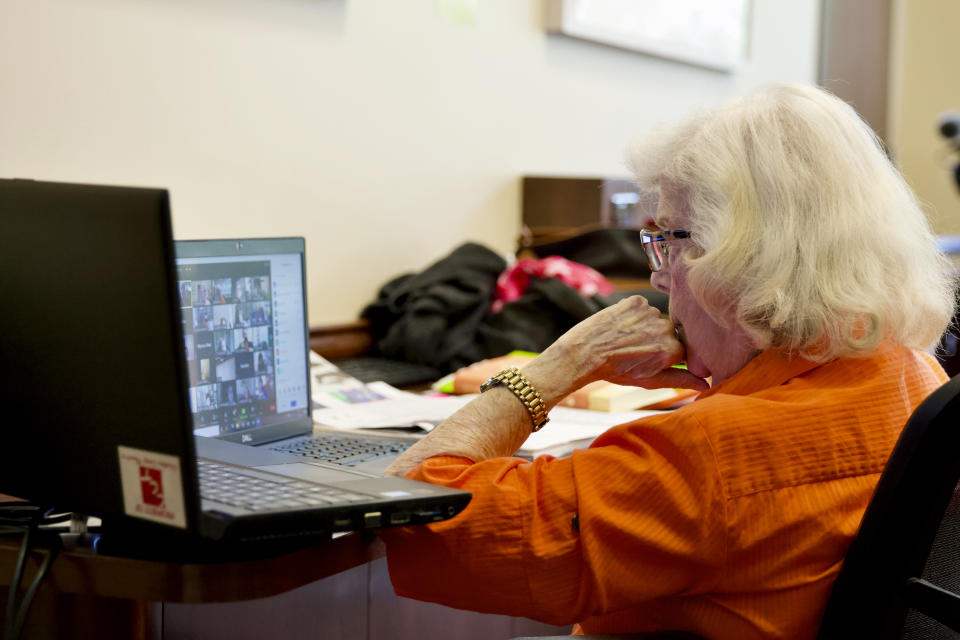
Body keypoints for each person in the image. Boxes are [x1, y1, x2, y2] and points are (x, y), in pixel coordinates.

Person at [380, 84, 957, 639]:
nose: (658, 276)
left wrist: (557, 367)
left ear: (738, 259)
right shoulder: (912, 373)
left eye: (666, 241)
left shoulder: (709, 456)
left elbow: (414, 514)